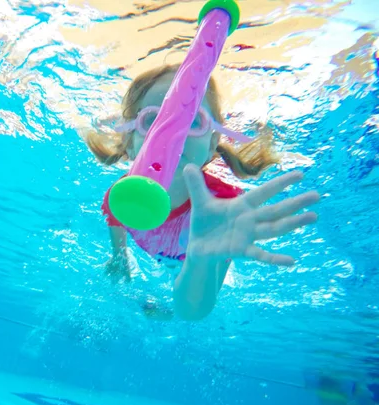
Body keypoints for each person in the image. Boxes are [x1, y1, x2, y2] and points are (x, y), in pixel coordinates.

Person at [85, 63, 320, 321]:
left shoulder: (221, 212)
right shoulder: (121, 195)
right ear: (129, 144)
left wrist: (200, 261)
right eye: (153, 119)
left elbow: (195, 311)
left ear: (211, 145)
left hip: (201, 264)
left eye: (192, 120)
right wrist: (119, 254)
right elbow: (116, 218)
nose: (173, 131)